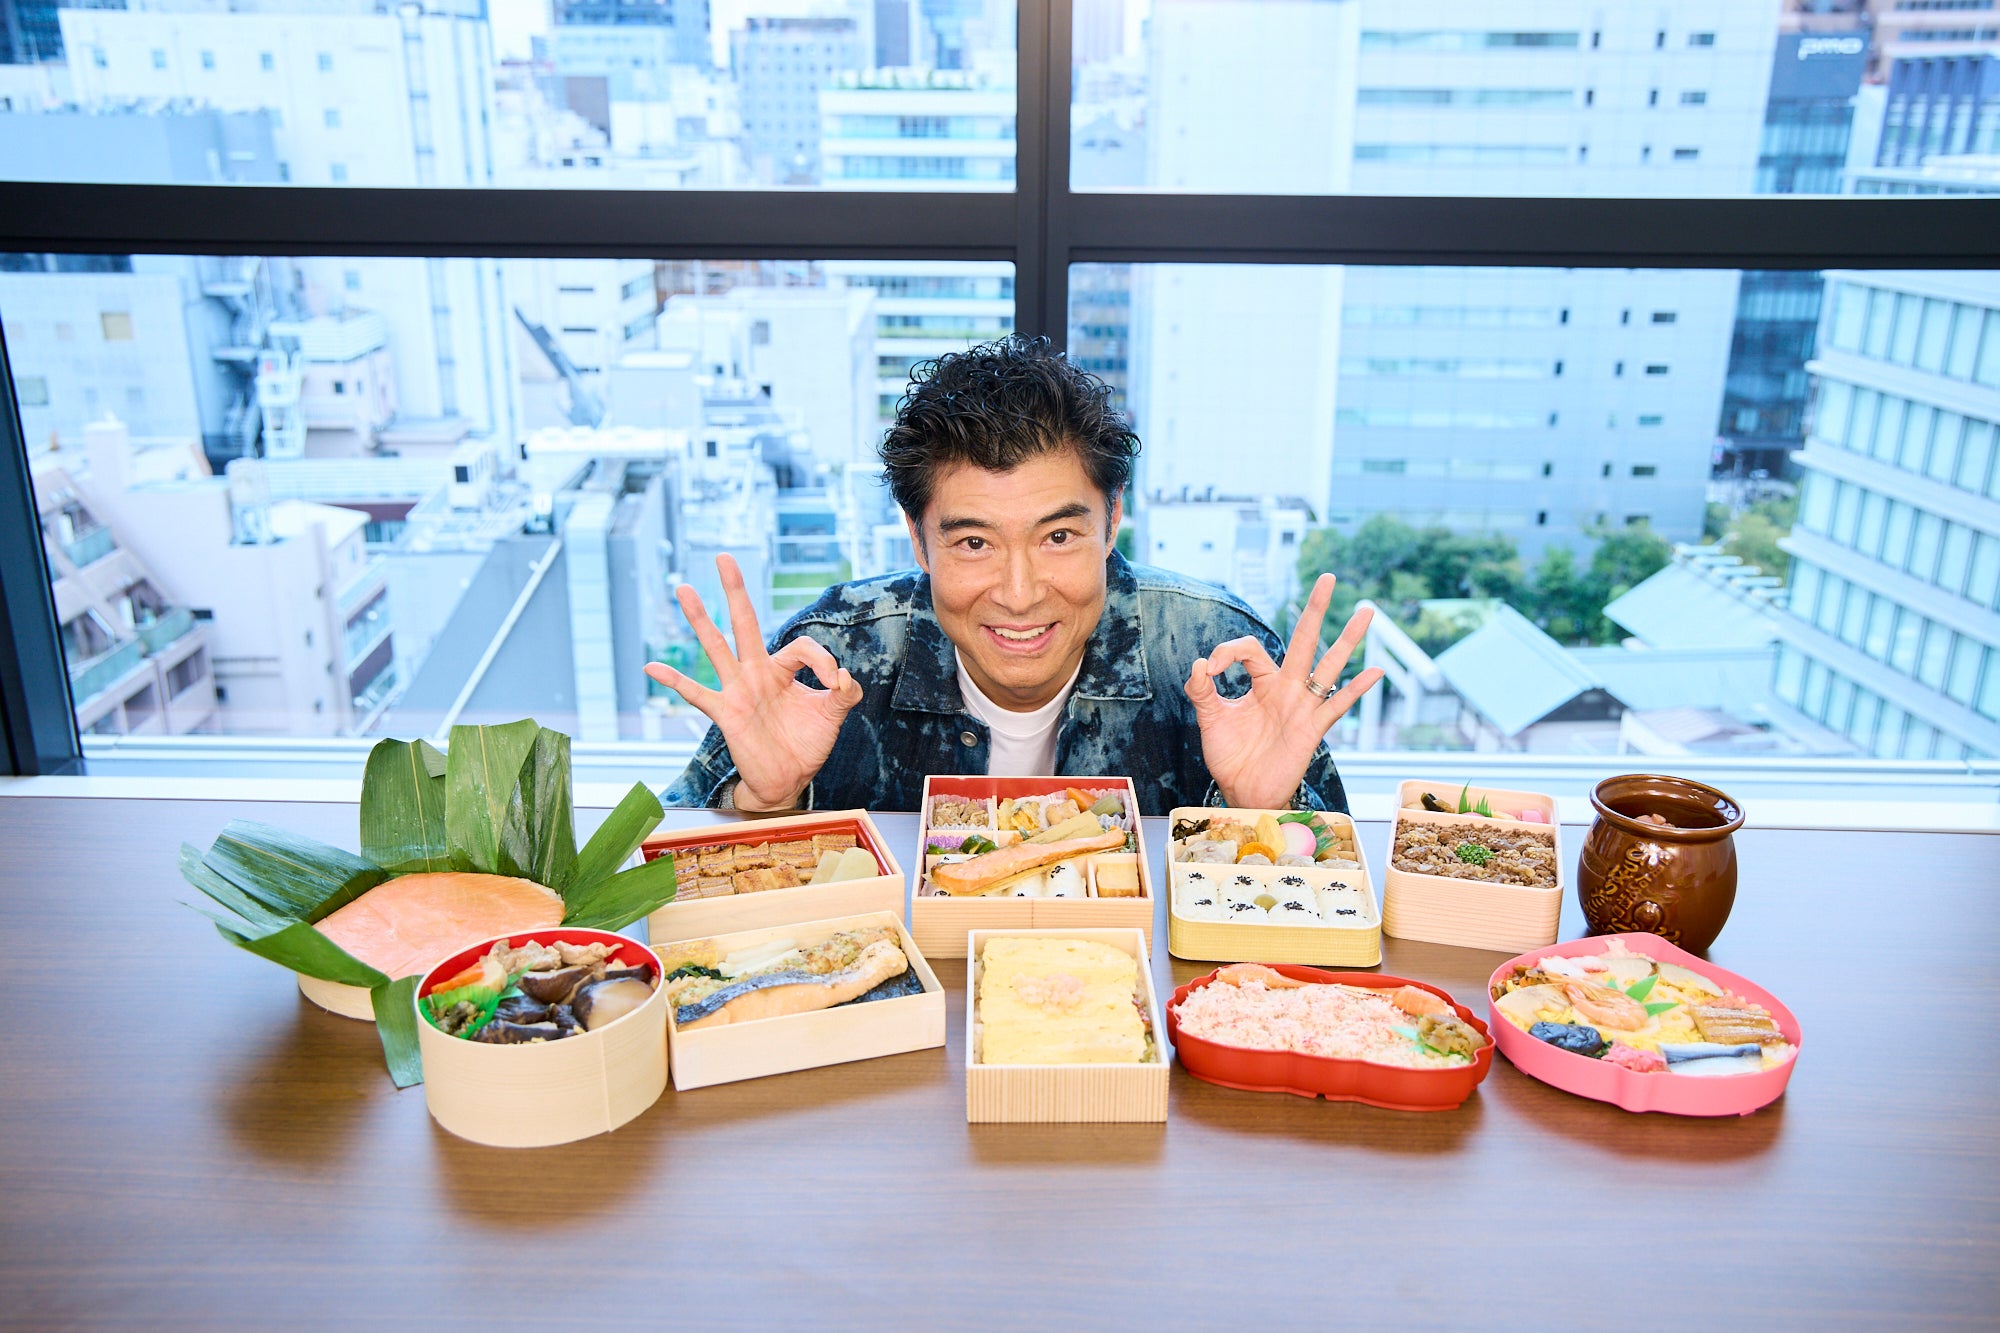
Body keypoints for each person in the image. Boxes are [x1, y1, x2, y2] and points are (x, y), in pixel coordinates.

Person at [649, 334, 1383, 816]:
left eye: (1059, 536)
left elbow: (1334, 909)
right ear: (918, 539)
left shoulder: (1217, 651)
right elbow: (655, 883)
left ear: (1112, 520)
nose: (1021, 592)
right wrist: (764, 801)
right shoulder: (830, 654)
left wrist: (1261, 814)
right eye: (974, 543)